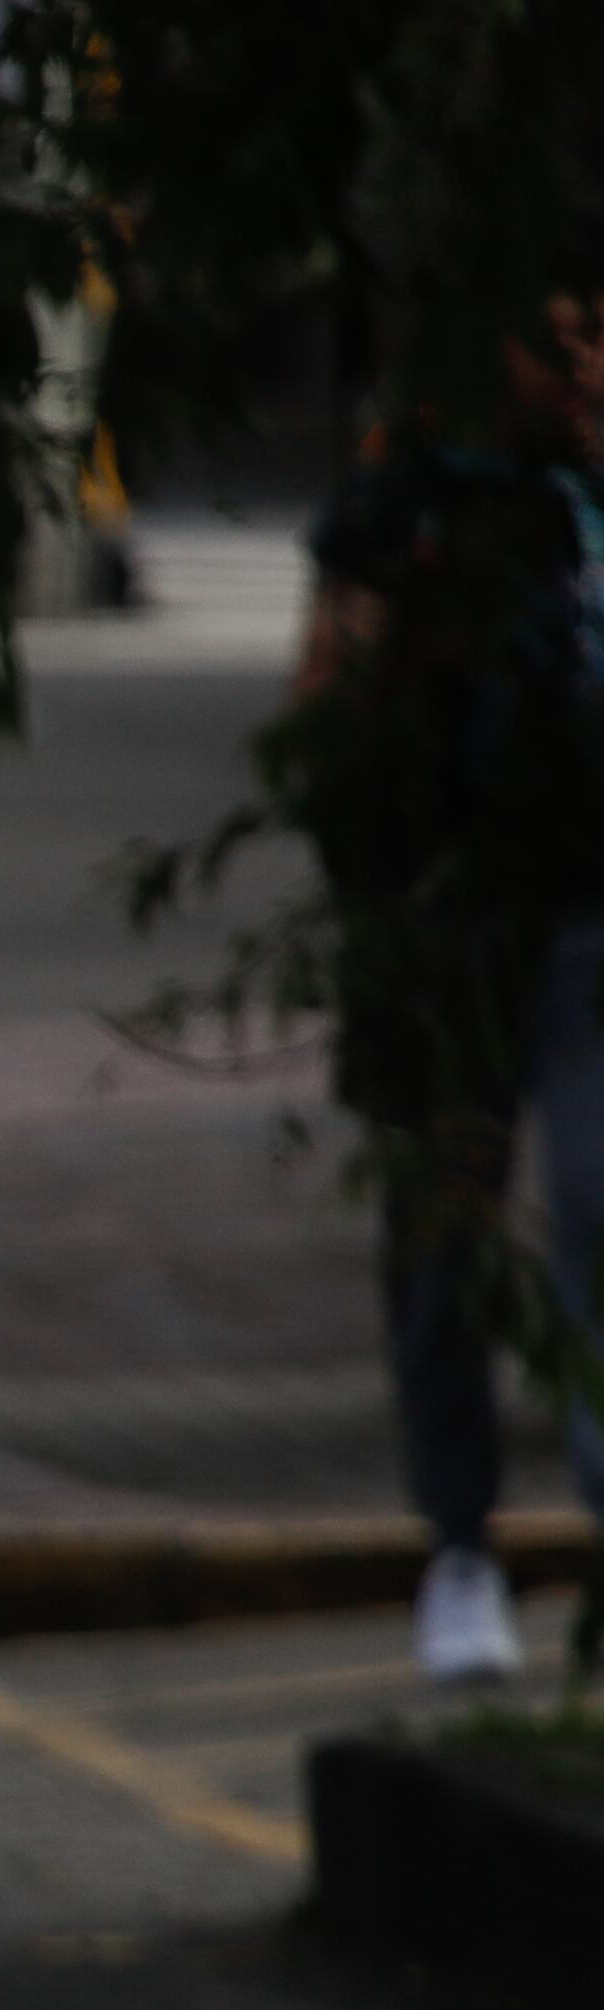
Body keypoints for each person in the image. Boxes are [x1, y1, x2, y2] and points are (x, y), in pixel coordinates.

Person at [303, 294, 604, 1681]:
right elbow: (328, 690)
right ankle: (462, 1548)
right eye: (557, 335)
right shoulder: (412, 495)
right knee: (448, 1240)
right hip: (448, 908)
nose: (583, 362)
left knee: (595, 1212)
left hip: (587, 911)